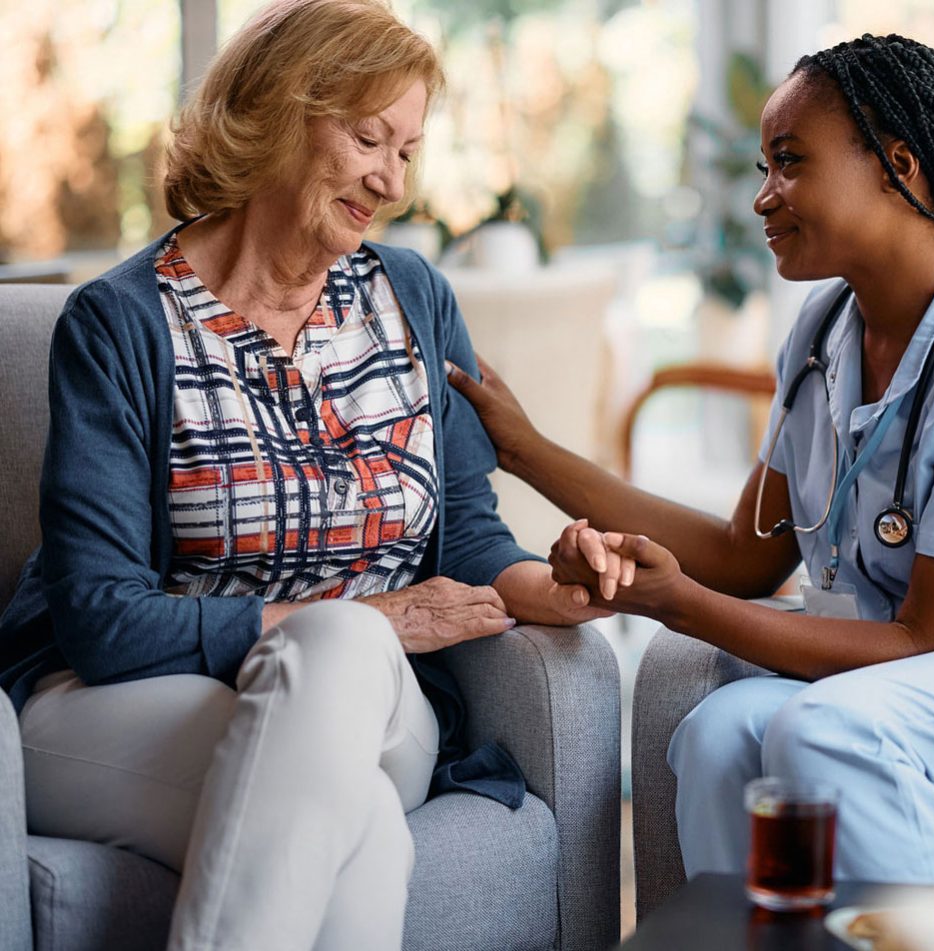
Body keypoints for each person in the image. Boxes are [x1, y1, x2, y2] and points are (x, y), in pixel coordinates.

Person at [447, 33, 934, 886]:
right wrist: (523, 448)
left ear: (897, 166)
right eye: (765, 166)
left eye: (789, 162)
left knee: (825, 728)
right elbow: (742, 553)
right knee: (717, 731)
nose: (763, 197)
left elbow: (926, 637)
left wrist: (676, 604)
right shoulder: (822, 334)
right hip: (924, 682)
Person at [0, 1, 605, 947]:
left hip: (374, 703)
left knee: (344, 656)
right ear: (282, 109)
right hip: (123, 702)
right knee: (352, 820)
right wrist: (361, 618)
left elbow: (465, 526)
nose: (390, 179)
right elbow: (102, 621)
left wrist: (549, 589)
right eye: (369, 137)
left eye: (407, 150)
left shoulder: (413, 300)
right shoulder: (119, 324)